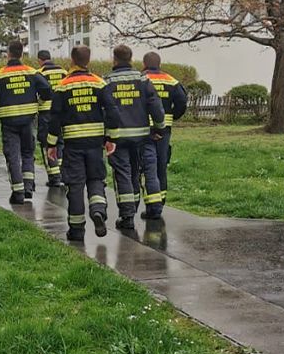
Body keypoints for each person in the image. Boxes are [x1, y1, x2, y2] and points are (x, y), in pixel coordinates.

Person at [44, 45, 121, 241]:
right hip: (95, 144)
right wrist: (111, 138)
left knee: (75, 184)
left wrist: (51, 144)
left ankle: (77, 230)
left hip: (72, 145)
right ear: (88, 60)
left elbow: (55, 117)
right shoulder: (99, 83)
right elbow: (112, 111)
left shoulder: (63, 86)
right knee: (96, 179)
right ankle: (98, 210)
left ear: (72, 60)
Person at [0, 39, 51, 206]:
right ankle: (28, 186)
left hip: (9, 123)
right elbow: (47, 89)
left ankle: (17, 192)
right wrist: (41, 102)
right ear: (21, 54)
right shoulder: (32, 72)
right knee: (27, 153)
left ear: (8, 54)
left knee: (13, 155)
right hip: (28, 120)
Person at [103, 45, 165, 229]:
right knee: (140, 171)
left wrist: (105, 136)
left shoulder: (107, 81)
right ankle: (143, 206)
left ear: (114, 59)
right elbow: (156, 106)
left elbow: (104, 110)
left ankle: (127, 216)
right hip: (142, 136)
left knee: (123, 173)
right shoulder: (143, 79)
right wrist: (159, 128)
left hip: (118, 137)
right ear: (131, 59)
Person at [141, 52, 188, 220]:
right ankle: (161, 202)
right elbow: (182, 102)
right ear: (159, 64)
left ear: (144, 64)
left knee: (147, 168)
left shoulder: (141, 79)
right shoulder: (171, 81)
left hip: (144, 129)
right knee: (161, 166)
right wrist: (172, 116)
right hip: (165, 130)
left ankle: (151, 206)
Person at [35, 49, 69, 190]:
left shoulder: (40, 73)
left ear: (40, 60)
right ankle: (62, 175)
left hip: (46, 113)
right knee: (60, 143)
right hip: (62, 114)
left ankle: (54, 176)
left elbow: (41, 92)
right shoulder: (64, 72)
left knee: (46, 143)